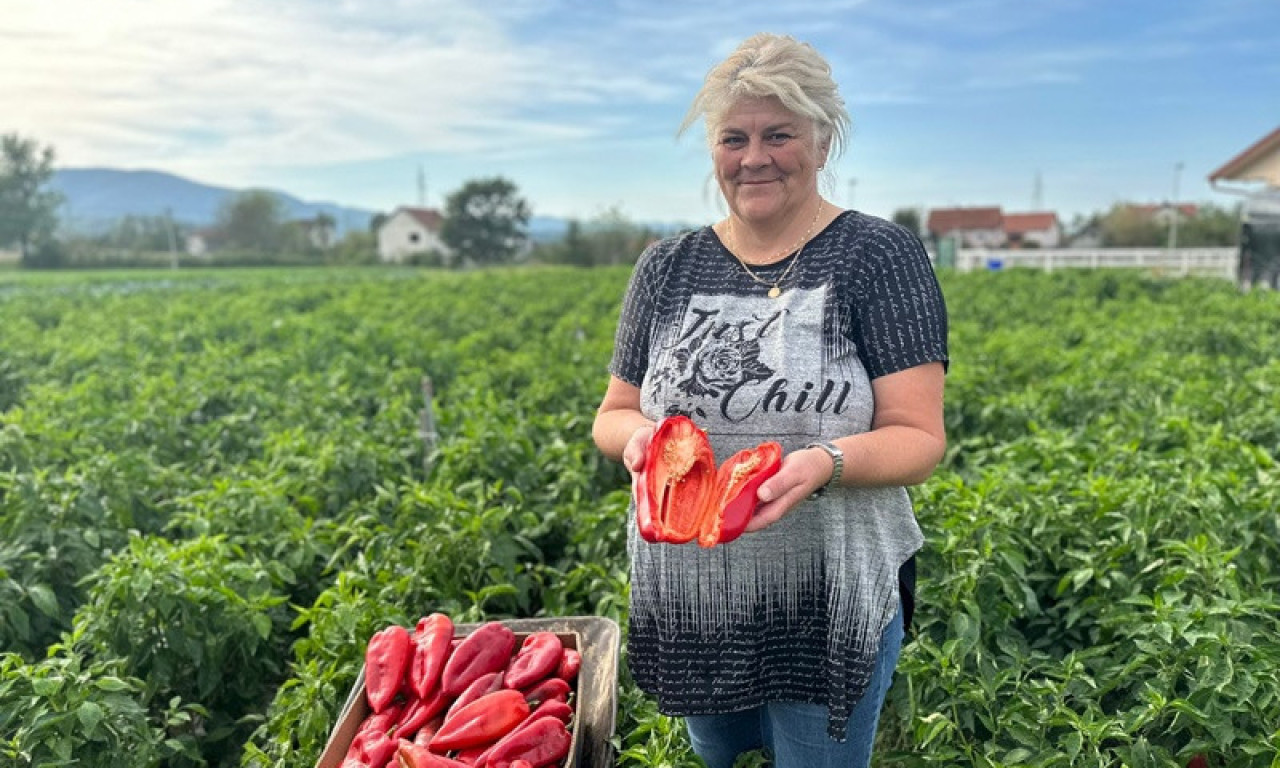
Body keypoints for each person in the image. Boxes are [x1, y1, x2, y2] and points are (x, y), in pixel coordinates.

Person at [591, 32, 949, 768]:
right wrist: (634, 441)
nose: (754, 156)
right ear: (714, 152)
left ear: (821, 142)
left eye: (779, 134)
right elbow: (615, 411)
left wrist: (824, 462)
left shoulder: (877, 256)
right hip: (694, 603)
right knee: (714, 753)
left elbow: (919, 437)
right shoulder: (667, 267)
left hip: (826, 601)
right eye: (734, 138)